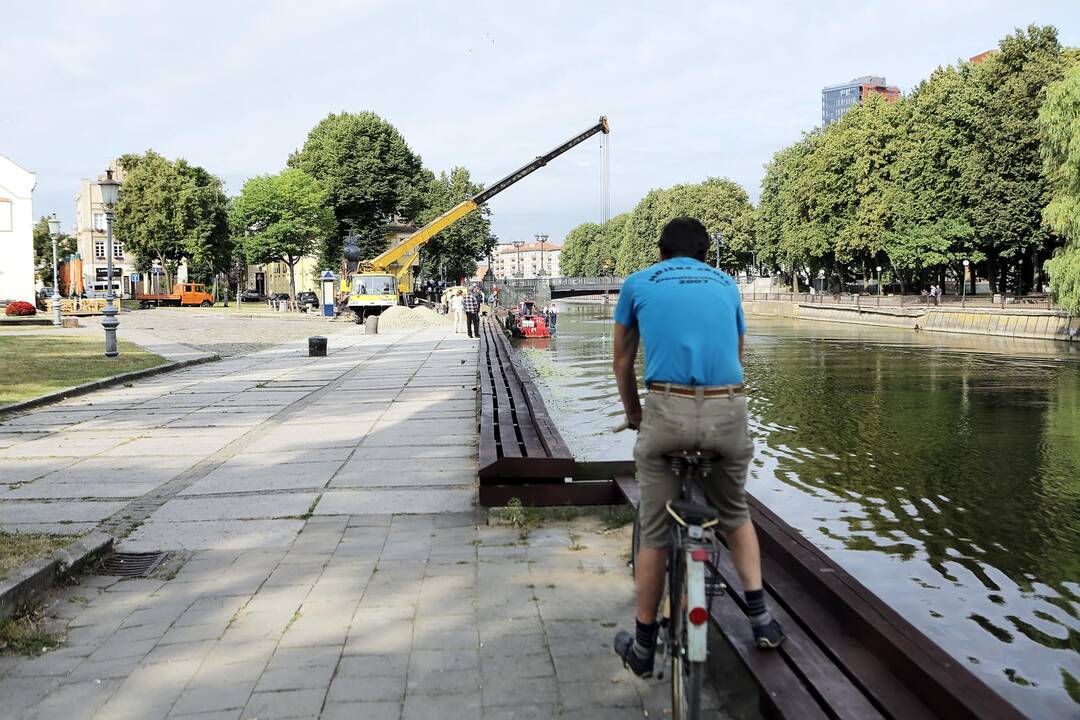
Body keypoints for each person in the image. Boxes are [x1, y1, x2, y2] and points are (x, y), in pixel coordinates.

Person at [612, 216, 785, 678]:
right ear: (706, 254)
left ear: (661, 252)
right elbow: (738, 352)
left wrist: (634, 414)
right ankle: (761, 618)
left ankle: (644, 646)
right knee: (734, 512)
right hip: (728, 409)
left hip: (667, 411)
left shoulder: (638, 283)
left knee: (654, 528)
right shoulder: (728, 284)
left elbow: (622, 362)